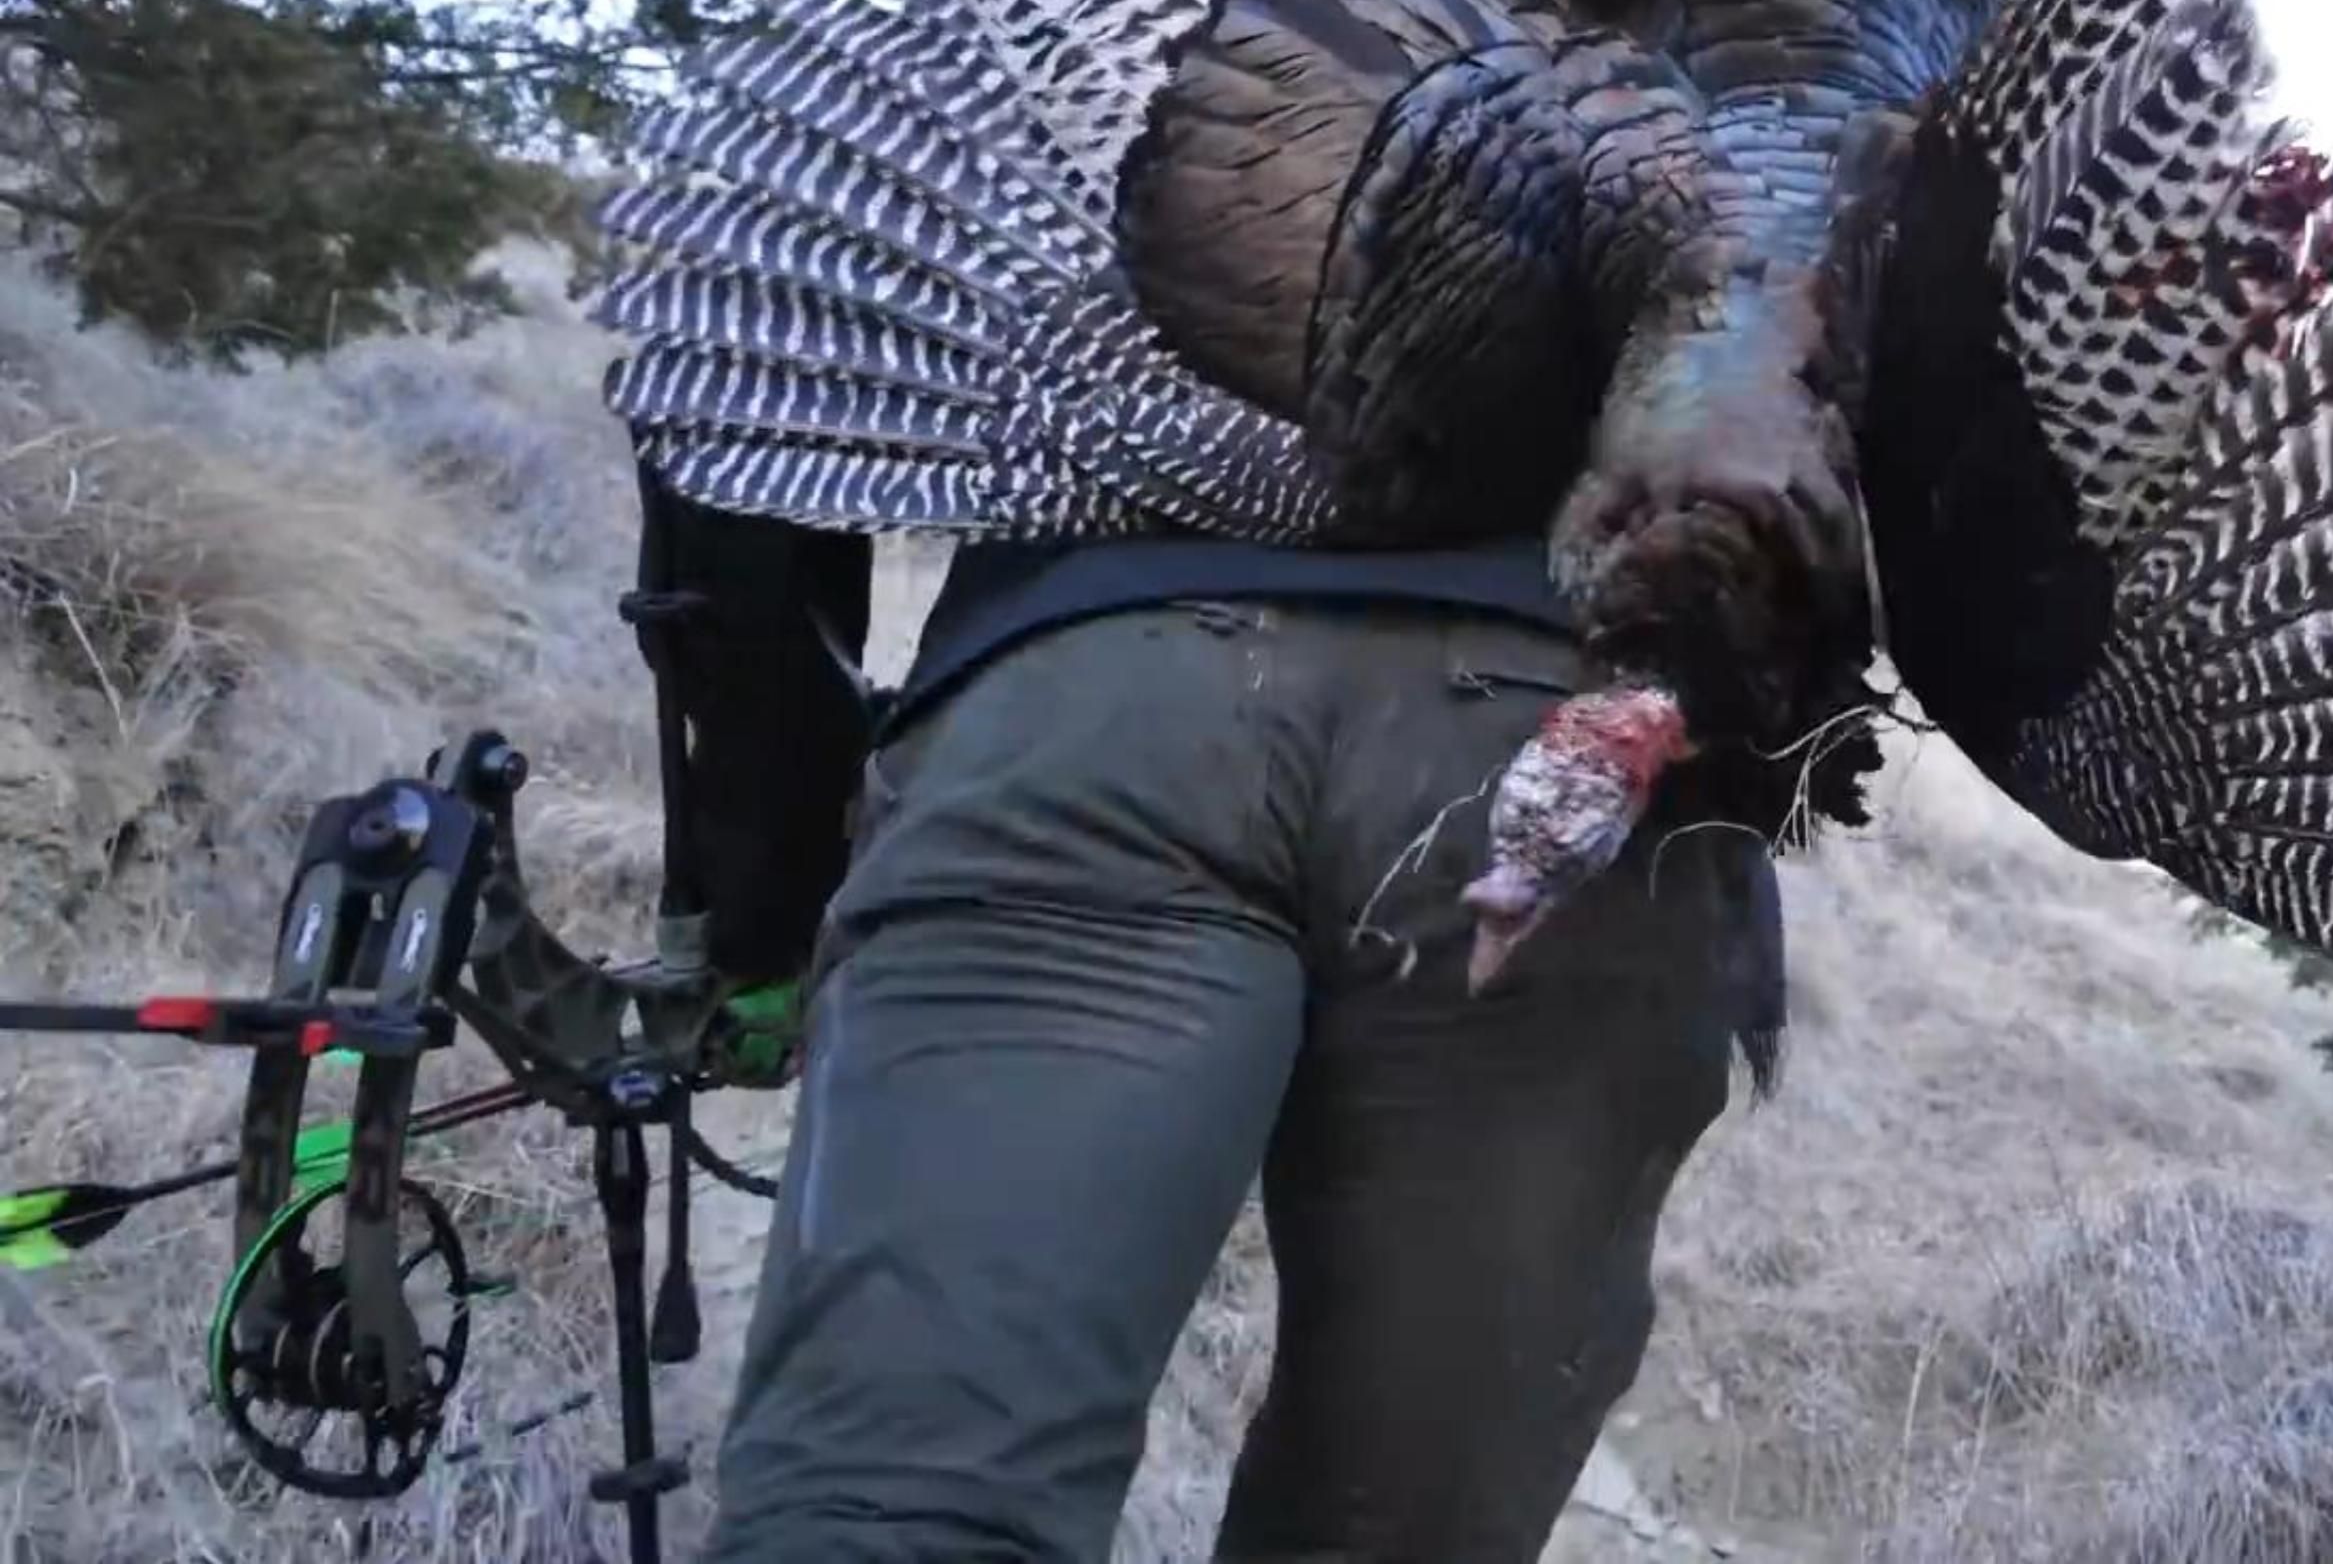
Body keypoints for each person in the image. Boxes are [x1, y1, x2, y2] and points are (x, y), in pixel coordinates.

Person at [693, 526, 1784, 1562]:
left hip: (1093, 683)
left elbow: (728, 389)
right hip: (1572, 729)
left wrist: (769, 879)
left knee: (900, 1506)